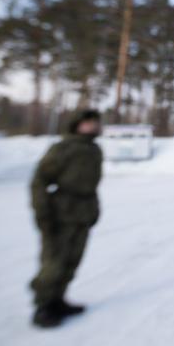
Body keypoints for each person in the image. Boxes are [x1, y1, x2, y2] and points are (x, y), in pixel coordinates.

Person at [29, 109, 103, 328]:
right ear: (76, 125)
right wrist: (42, 213)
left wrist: (95, 209)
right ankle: (43, 307)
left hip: (83, 211)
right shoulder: (63, 148)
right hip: (60, 212)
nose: (93, 126)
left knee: (72, 260)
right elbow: (40, 181)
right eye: (87, 122)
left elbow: (92, 185)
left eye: (95, 123)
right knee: (54, 262)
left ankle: (58, 300)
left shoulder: (94, 149)